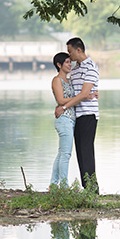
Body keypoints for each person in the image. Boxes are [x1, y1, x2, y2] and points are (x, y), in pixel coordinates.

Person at [55, 37, 100, 191]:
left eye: (70, 51)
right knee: (80, 152)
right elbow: (73, 93)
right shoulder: (74, 70)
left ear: (78, 50)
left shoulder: (91, 68)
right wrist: (61, 104)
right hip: (75, 116)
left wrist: (64, 106)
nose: (69, 56)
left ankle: (93, 189)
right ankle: (86, 187)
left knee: (87, 150)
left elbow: (84, 93)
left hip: (88, 114)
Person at [49, 52, 76, 187]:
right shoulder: (57, 80)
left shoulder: (69, 80)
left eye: (70, 62)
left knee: (61, 154)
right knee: (65, 155)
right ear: (59, 65)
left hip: (71, 119)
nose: (69, 64)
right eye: (66, 62)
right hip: (64, 119)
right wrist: (81, 97)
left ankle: (53, 185)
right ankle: (64, 187)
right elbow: (60, 100)